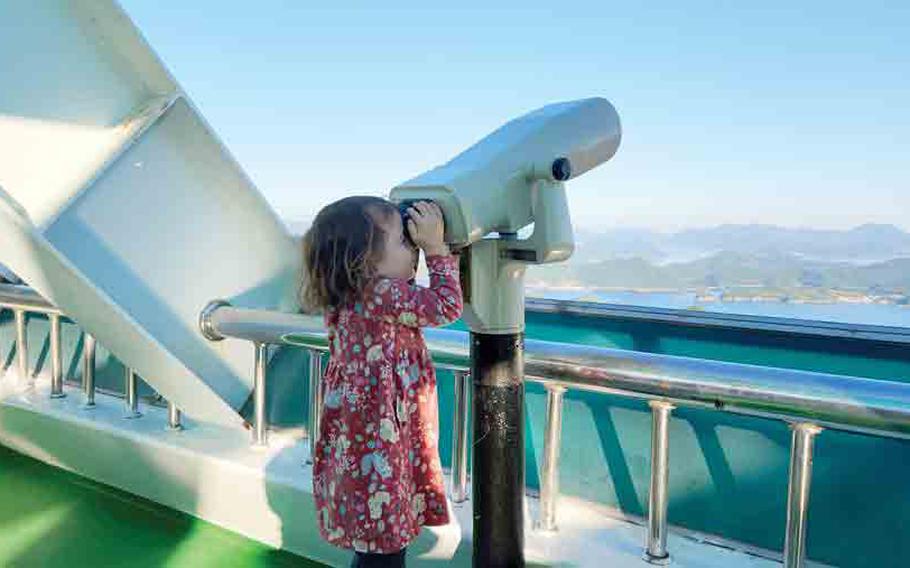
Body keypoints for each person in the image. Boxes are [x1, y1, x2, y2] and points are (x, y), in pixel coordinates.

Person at [300, 196, 463, 567]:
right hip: (381, 444)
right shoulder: (379, 292)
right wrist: (437, 248)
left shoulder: (347, 294)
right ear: (366, 260)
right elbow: (445, 306)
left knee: (375, 543)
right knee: (385, 549)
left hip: (364, 439)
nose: (414, 250)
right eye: (404, 242)